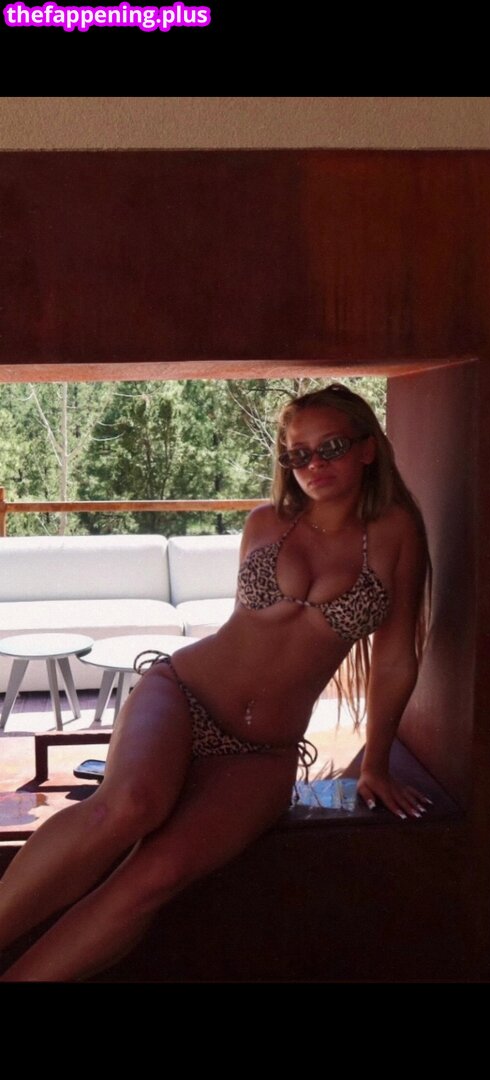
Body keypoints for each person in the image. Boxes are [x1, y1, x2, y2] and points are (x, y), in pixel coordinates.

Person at [0, 382, 432, 982]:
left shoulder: (396, 533)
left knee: (157, 875)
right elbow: (250, 637)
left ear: (367, 447)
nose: (313, 464)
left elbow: (394, 660)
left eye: (330, 446)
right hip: (183, 692)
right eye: (297, 453)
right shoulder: (267, 523)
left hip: (265, 750)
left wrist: (375, 763)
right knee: (127, 807)